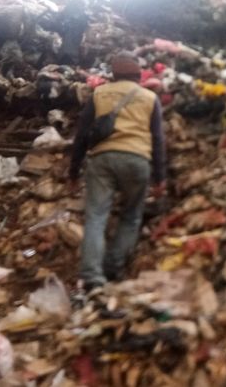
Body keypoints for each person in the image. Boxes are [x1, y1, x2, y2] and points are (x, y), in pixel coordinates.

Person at [69, 53, 166, 291]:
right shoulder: (150, 97)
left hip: (102, 160)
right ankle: (113, 265)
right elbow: (158, 139)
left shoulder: (99, 93)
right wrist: (160, 176)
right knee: (132, 216)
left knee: (96, 217)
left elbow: (82, 135)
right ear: (138, 76)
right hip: (137, 159)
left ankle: (92, 276)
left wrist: (73, 171)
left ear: (114, 75)